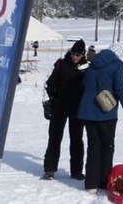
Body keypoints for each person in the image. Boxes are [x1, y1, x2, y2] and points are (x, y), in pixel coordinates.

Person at [78, 48, 123, 195]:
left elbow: (84, 85)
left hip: (88, 113)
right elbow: (121, 89)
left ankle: (90, 183)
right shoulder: (115, 66)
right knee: (107, 147)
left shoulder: (92, 65)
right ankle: (104, 181)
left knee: (93, 147)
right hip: (106, 114)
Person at [42, 40, 89, 180]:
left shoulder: (87, 67)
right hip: (59, 107)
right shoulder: (61, 64)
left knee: (76, 140)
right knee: (54, 138)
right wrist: (48, 102)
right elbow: (49, 84)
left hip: (77, 109)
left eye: (78, 54)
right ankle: (49, 169)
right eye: (74, 53)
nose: (75, 57)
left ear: (83, 55)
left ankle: (76, 171)